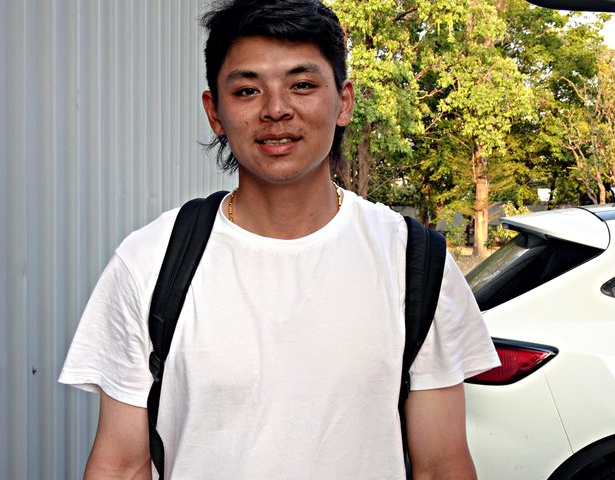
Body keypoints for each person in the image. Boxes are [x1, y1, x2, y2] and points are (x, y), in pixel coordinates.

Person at [59, 0, 500, 478]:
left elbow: (441, 465)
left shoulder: (414, 262)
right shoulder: (150, 261)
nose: (276, 109)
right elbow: (121, 465)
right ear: (214, 112)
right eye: (247, 90)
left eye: (302, 85)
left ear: (344, 101)